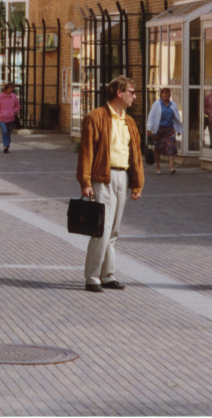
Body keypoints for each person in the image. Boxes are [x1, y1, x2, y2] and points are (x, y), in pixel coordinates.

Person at [77, 75, 144, 293]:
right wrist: (85, 182)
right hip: (102, 177)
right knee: (101, 229)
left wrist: (137, 184)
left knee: (114, 230)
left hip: (121, 177)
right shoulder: (95, 117)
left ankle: (108, 275)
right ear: (119, 92)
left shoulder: (129, 122)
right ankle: (92, 277)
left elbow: (136, 155)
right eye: (131, 92)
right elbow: (86, 152)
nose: (134, 96)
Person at [146, 87, 183, 174]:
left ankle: (171, 167)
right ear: (161, 95)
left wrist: (178, 129)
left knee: (171, 147)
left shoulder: (173, 105)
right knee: (157, 149)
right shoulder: (156, 104)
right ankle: (158, 167)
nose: (165, 95)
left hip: (169, 129)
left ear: (170, 95)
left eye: (167, 93)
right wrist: (149, 128)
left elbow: (177, 117)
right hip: (159, 129)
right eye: (163, 93)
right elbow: (151, 116)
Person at [0, 82, 20, 153]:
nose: (11, 89)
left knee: (8, 133)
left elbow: (17, 106)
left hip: (11, 118)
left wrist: (14, 112)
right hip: (2, 118)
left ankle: (7, 144)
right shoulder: (1, 97)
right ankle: (6, 145)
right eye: (10, 88)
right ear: (7, 89)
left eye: (12, 88)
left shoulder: (14, 97)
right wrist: (0, 113)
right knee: (4, 131)